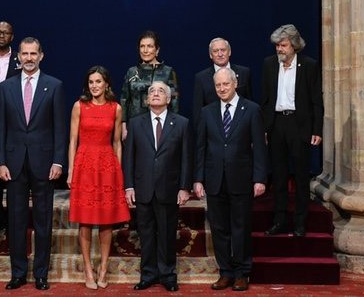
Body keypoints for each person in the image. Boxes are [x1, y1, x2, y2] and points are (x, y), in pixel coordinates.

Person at [0, 37, 67, 291]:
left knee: (43, 220)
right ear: (18, 56)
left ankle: (41, 274)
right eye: (24, 53)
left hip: (44, 162)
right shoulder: (5, 87)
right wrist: (0, 161)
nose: (28, 58)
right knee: (15, 220)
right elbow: (0, 128)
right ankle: (18, 273)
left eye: (33, 53)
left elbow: (60, 128)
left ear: (41, 56)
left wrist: (59, 160)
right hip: (13, 163)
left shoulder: (54, 86)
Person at [193, 68, 269, 292]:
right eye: (218, 85)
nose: (222, 89)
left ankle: (242, 273)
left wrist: (260, 178)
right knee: (219, 229)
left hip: (242, 179)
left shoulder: (252, 110)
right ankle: (225, 272)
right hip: (214, 179)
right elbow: (201, 148)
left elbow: (260, 149)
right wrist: (198, 179)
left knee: (241, 227)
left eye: (226, 84)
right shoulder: (207, 112)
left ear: (235, 84)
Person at [122, 81, 193, 292]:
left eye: (160, 91)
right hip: (143, 188)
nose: (155, 94)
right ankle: (148, 274)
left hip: (169, 189)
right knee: (145, 234)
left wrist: (184, 187)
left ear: (169, 99)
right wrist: (129, 186)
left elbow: (186, 159)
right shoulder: (135, 123)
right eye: (151, 91)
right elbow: (129, 158)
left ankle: (168, 275)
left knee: (167, 234)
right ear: (146, 99)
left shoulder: (181, 123)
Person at [67, 66, 130, 290]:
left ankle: (103, 268)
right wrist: (71, 171)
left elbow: (116, 143)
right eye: (91, 82)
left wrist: (119, 171)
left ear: (106, 84)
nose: (95, 86)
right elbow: (73, 141)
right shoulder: (79, 106)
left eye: (98, 81)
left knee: (106, 221)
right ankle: (87, 268)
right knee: (84, 220)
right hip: (84, 164)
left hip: (107, 166)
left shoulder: (116, 108)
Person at [261, 24, 323, 237]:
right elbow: (266, 100)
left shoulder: (309, 65)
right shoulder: (269, 65)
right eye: (277, 45)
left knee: (301, 175)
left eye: (284, 45)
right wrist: (265, 128)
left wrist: (317, 129)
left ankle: (299, 223)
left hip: (299, 125)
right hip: (277, 124)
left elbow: (316, 101)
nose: (279, 49)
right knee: (278, 176)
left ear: (294, 45)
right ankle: (279, 220)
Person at [120, 30, 179, 140]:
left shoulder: (168, 72)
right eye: (142, 46)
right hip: (135, 127)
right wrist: (124, 128)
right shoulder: (131, 72)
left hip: (160, 127)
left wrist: (172, 129)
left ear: (157, 50)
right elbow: (124, 101)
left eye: (150, 46)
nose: (145, 50)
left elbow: (174, 103)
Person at [192, 37, 253, 127]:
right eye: (216, 51)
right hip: (213, 131)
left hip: (241, 129)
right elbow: (198, 112)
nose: (220, 54)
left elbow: (249, 104)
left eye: (223, 50)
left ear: (229, 52)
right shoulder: (201, 78)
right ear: (210, 55)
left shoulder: (244, 72)